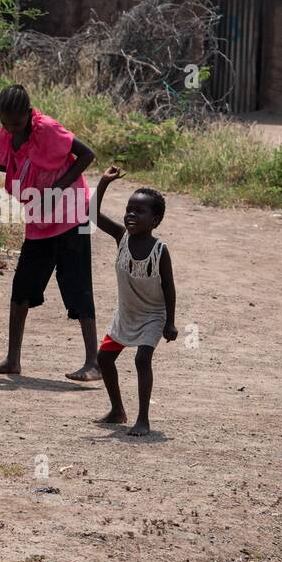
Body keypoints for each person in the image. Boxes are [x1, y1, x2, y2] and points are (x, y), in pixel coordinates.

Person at [0, 85, 100, 380]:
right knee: (22, 286)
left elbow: (87, 154)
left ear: (28, 114)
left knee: (77, 284)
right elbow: (1, 163)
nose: (11, 130)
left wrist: (58, 188)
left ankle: (94, 362)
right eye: (5, 124)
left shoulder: (48, 129)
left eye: (16, 123)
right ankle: (13, 359)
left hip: (70, 214)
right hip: (40, 217)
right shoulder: (9, 133)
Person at [90, 166, 176, 436]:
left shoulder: (160, 251)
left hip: (152, 314)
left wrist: (171, 321)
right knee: (104, 359)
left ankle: (143, 419)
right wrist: (104, 182)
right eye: (129, 209)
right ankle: (117, 410)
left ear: (156, 220)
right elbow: (90, 214)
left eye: (139, 212)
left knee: (141, 359)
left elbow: (170, 287)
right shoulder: (120, 238)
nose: (130, 215)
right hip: (126, 314)